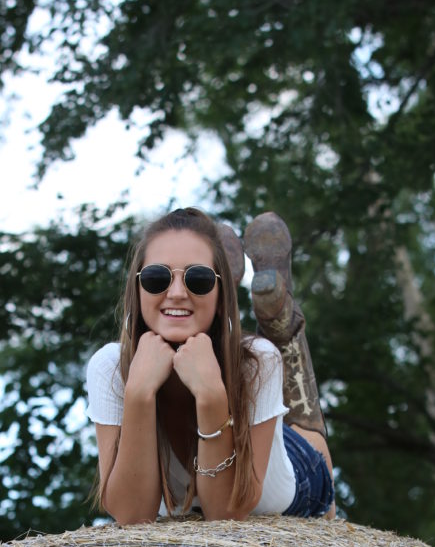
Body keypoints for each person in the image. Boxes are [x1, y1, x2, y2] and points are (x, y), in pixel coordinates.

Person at [86, 206, 335, 524]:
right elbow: (132, 516)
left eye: (198, 280)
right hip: (243, 426)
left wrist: (210, 394)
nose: (175, 293)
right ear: (136, 287)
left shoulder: (259, 360)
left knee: (304, 425)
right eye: (157, 278)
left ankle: (278, 319)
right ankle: (215, 279)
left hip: (294, 469)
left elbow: (226, 515)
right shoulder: (110, 367)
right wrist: (138, 392)